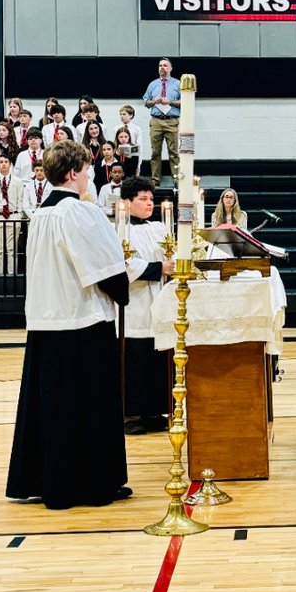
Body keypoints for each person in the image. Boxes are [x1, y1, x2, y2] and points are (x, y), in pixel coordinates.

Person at [6, 139, 131, 510]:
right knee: (87, 406)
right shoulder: (78, 212)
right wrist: (121, 289)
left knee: (52, 408)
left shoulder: (41, 215)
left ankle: (51, 480)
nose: (90, 176)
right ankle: (93, 482)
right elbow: (104, 267)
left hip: (46, 322)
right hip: (81, 320)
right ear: (74, 172)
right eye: (88, 170)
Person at [120, 176, 174, 434]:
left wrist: (172, 263)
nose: (149, 203)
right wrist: (160, 268)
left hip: (159, 300)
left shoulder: (159, 229)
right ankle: (133, 413)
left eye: (151, 199)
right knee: (136, 359)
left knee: (157, 359)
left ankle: (156, 411)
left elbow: (172, 255)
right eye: (142, 199)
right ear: (127, 203)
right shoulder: (119, 230)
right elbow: (124, 265)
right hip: (135, 304)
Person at [142, 58, 181, 187]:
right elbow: (146, 102)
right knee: (155, 152)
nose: (162, 68)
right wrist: (154, 101)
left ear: (170, 68)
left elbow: (185, 102)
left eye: (165, 65)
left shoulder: (177, 84)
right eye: (160, 66)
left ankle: (176, 179)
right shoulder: (153, 84)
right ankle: (155, 179)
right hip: (156, 121)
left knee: (174, 152)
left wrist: (170, 101)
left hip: (171, 121)